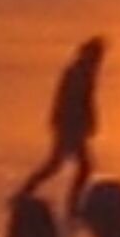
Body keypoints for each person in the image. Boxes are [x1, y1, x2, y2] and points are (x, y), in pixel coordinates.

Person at [15, 37, 107, 220]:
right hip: (70, 126)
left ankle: (27, 192)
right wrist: (83, 122)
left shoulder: (82, 70)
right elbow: (76, 101)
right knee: (75, 166)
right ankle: (71, 205)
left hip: (69, 125)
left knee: (60, 165)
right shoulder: (80, 72)